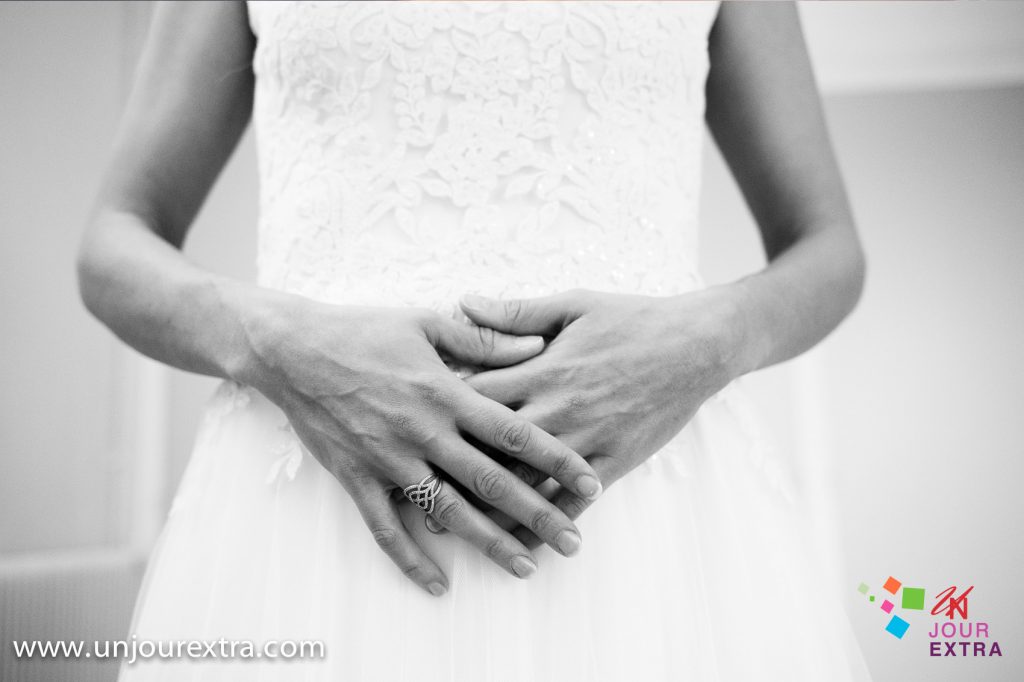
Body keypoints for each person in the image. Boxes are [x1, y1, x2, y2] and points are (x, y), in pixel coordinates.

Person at [78, 1, 872, 680]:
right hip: (317, 493)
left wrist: (712, 339)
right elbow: (114, 243)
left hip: (644, 501)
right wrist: (275, 342)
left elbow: (827, 246)